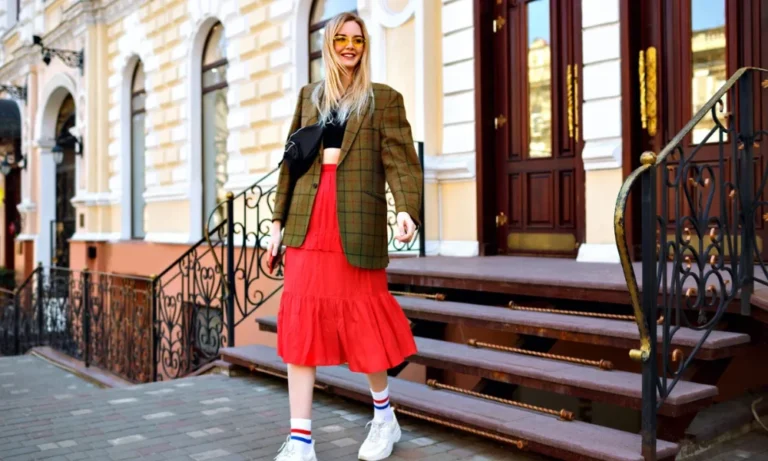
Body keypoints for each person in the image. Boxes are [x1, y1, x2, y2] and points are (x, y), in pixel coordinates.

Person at [267, 11, 422, 461]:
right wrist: (277, 224)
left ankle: (384, 417)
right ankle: (300, 440)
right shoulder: (309, 97)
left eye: (357, 39)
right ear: (328, 45)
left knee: (364, 322)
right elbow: (291, 164)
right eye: (341, 39)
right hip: (306, 222)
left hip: (355, 223)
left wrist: (407, 209)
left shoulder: (383, 99)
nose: (350, 46)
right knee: (300, 329)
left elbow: (401, 162)